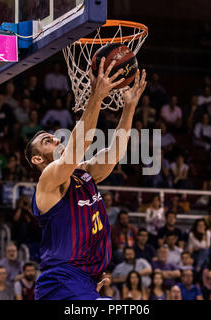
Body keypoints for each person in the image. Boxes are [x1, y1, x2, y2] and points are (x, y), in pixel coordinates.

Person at [24, 60, 146, 300]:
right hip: (61, 282)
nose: (57, 140)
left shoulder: (83, 173)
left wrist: (129, 107)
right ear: (38, 159)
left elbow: (114, 152)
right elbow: (79, 146)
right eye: (48, 141)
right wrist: (97, 97)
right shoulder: (48, 180)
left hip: (84, 283)